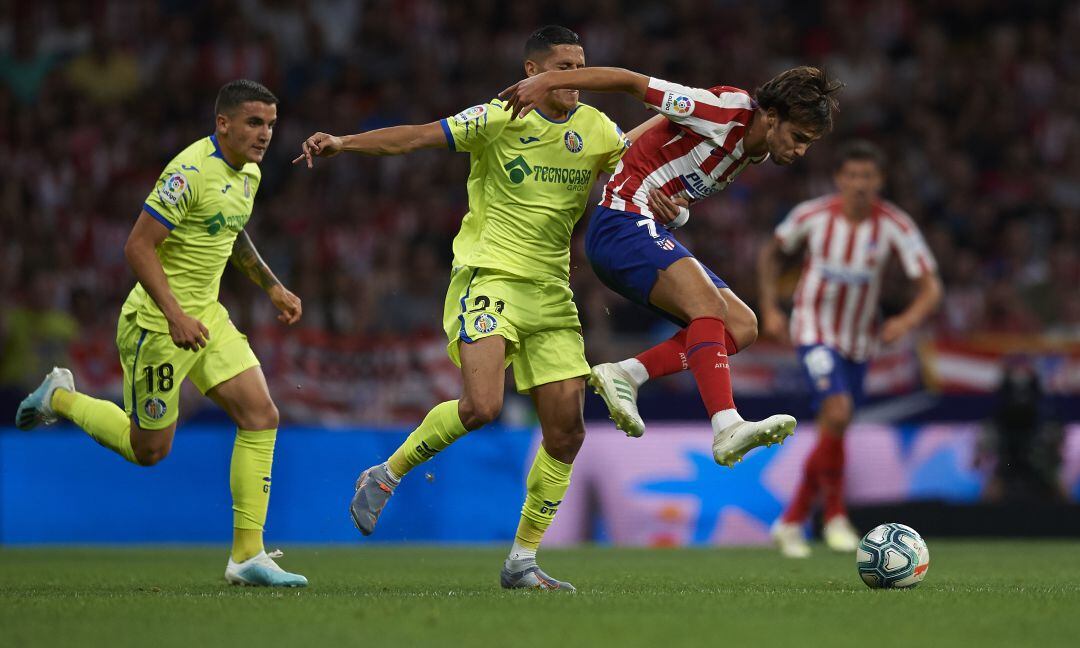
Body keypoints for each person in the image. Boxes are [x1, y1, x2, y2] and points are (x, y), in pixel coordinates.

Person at [294, 26, 683, 591]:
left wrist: (661, 197)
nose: (574, 76)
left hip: (551, 291)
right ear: (533, 72)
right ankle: (386, 473)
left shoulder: (597, 130)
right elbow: (420, 137)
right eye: (563, 66)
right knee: (481, 405)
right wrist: (344, 143)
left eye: (581, 65)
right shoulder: (500, 117)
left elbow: (632, 177)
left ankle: (522, 560)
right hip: (490, 276)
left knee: (567, 431)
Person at [15, 80, 308, 587]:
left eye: (271, 125)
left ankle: (247, 556)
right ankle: (60, 398)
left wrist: (272, 286)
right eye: (255, 123)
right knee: (148, 450)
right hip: (158, 325)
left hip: (207, 318)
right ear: (224, 123)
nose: (265, 135)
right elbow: (137, 247)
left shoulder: (250, 173)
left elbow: (229, 229)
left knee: (261, 414)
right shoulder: (187, 171)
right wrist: (173, 314)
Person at [500, 65, 842, 466]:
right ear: (770, 116)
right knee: (708, 306)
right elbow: (632, 83)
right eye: (798, 137)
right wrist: (550, 81)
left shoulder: (754, 150)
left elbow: (670, 165)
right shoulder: (721, 110)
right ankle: (726, 424)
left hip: (641, 228)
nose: (801, 151)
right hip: (620, 223)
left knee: (742, 326)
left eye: (809, 143)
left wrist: (677, 214)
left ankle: (628, 373)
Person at [758, 140, 942, 557]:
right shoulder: (812, 215)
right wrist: (769, 308)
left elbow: (930, 287)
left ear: (880, 181)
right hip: (813, 330)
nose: (860, 184)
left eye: (868, 176)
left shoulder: (894, 224)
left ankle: (791, 521)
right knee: (838, 412)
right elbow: (771, 252)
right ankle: (834, 515)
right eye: (853, 176)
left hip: (860, 342)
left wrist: (906, 320)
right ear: (839, 178)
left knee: (834, 426)